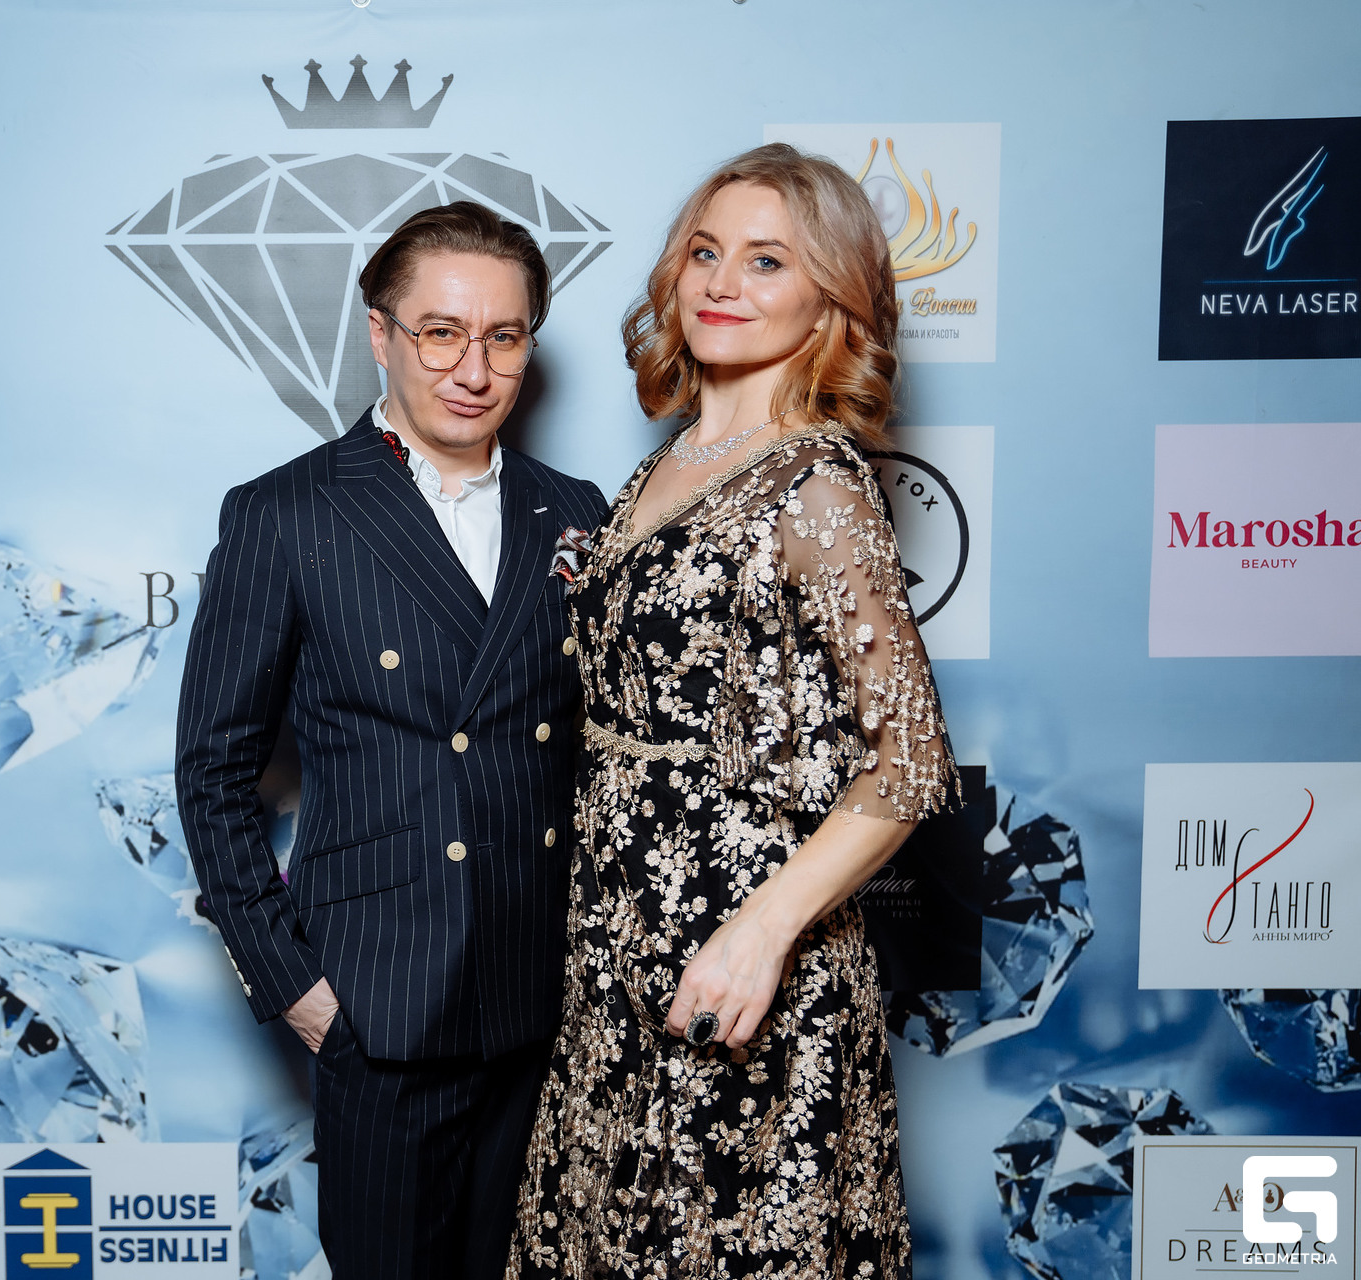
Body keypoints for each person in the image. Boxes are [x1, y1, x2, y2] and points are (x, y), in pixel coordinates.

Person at [510, 143, 959, 1278]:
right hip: (616, 943)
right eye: (705, 252)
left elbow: (910, 764)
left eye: (767, 261)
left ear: (831, 298)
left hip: (742, 949)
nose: (721, 282)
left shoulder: (818, 484)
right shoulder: (668, 466)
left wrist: (762, 933)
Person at [176, 201, 607, 1279]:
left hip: (542, 1002)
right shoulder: (287, 512)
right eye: (441, 333)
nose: (474, 369)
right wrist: (296, 988)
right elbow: (213, 772)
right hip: (382, 1004)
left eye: (504, 336)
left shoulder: (577, 510)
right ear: (381, 333)